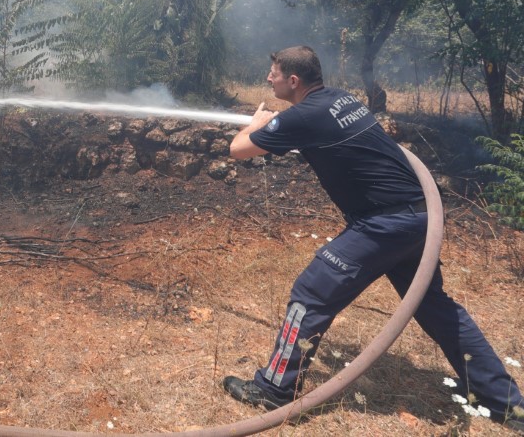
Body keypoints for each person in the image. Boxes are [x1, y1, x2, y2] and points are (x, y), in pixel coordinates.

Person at [223, 45, 524, 431]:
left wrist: (257, 122)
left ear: (293, 80)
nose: (269, 79)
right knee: (435, 307)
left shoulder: (305, 115)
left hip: (384, 224)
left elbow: (237, 149)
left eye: (274, 74)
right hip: (420, 217)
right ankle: (506, 404)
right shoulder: (340, 99)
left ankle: (273, 388)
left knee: (311, 293)